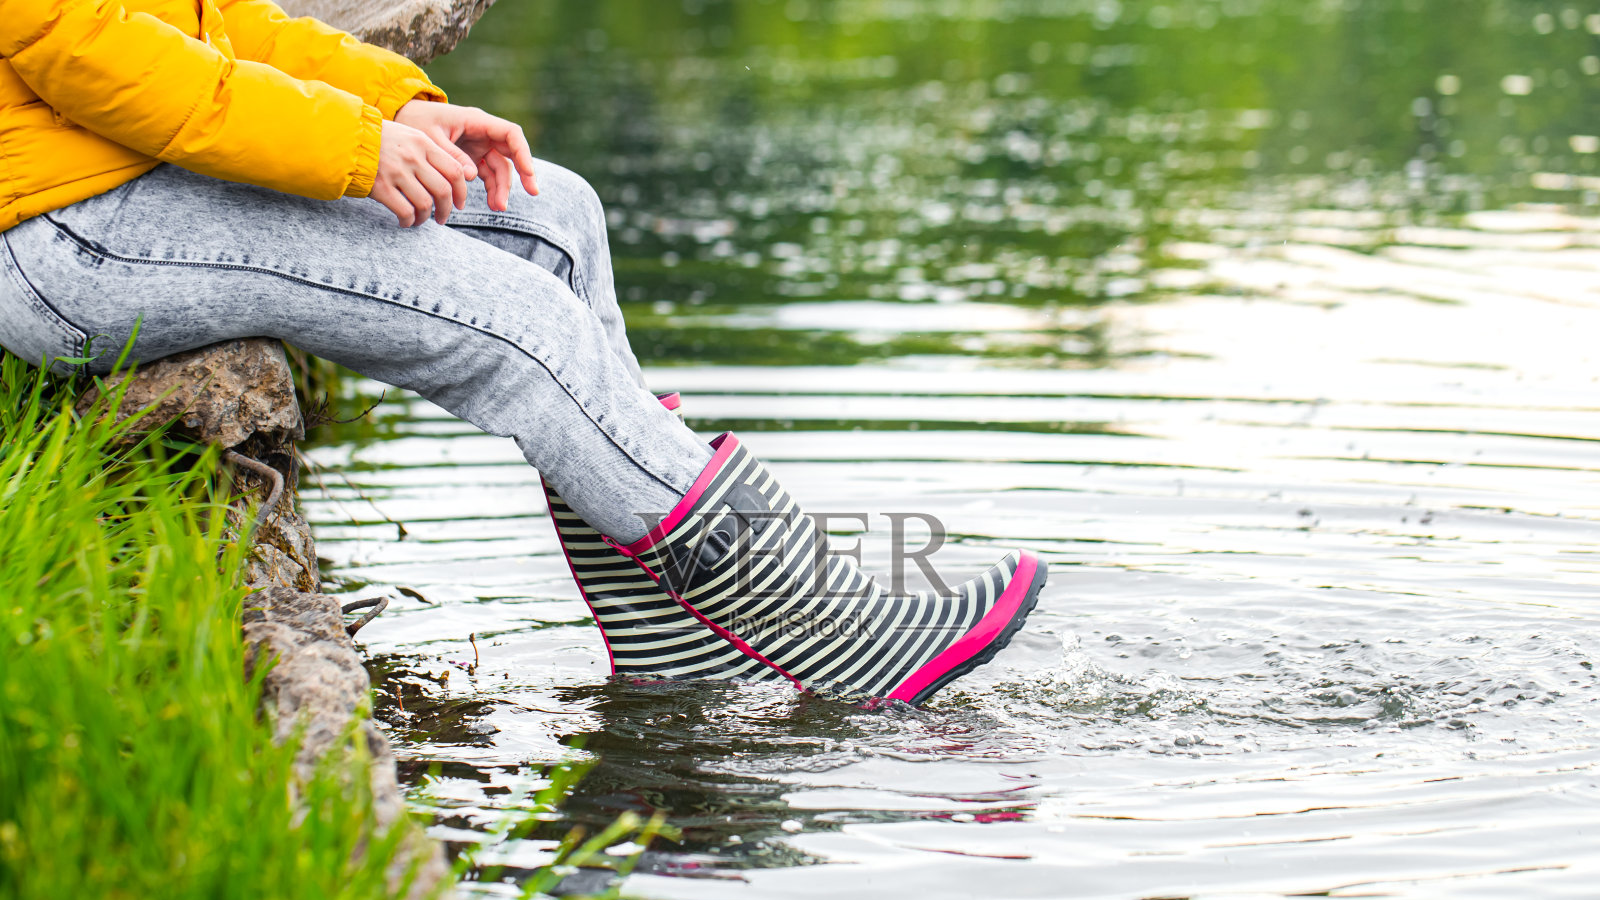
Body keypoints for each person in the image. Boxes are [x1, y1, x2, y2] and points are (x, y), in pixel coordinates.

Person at [0, 0, 1046, 705]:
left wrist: (397, 102)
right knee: (518, 329)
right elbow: (89, 47)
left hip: (123, 178)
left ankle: (659, 632)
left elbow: (200, 21)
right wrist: (351, 149)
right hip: (58, 233)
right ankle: (833, 626)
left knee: (553, 215)